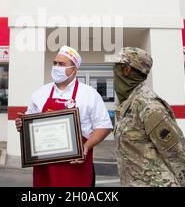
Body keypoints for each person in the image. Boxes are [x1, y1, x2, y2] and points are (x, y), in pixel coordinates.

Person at [15, 45, 112, 187]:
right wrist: (21, 125)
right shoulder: (40, 93)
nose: (56, 67)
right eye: (55, 63)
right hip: (44, 166)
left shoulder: (89, 94)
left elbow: (104, 126)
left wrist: (86, 146)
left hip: (75, 165)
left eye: (61, 64)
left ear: (74, 69)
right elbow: (29, 124)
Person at [105, 47, 185, 187]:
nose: (113, 72)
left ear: (126, 70)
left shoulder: (149, 107)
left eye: (115, 67)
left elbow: (178, 154)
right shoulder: (129, 103)